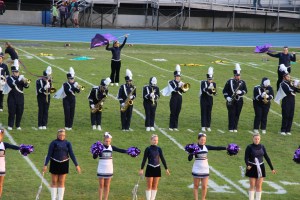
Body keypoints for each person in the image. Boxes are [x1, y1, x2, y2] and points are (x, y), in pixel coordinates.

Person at [43, 128, 81, 200]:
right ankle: (53, 198)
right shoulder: (53, 143)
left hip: (64, 163)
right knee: (54, 181)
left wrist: (77, 165)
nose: (62, 136)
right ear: (57, 135)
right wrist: (45, 165)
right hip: (54, 162)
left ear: (65, 135)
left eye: (63, 135)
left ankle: (60, 198)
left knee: (61, 181)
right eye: (60, 135)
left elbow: (72, 154)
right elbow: (49, 154)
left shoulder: (67, 143)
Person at [188, 133, 226, 200]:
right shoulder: (194, 147)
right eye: (202, 139)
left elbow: (216, 148)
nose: (203, 141)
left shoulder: (206, 147)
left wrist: (226, 148)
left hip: (205, 169)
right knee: (196, 186)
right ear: (198, 139)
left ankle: (203, 199)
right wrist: (192, 152)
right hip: (197, 168)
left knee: (204, 186)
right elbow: (189, 159)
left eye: (204, 140)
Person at [93, 132, 128, 200]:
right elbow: (94, 157)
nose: (108, 142)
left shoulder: (111, 147)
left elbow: (120, 150)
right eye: (106, 141)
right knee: (101, 185)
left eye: (109, 141)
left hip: (109, 169)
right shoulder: (100, 147)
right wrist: (96, 151)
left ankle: (106, 199)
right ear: (104, 141)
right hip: (101, 168)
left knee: (107, 185)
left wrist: (129, 151)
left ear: (110, 141)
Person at [245, 134, 276, 200]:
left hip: (261, 167)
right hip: (252, 167)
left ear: (260, 139)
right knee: (252, 185)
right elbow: (246, 158)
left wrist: (272, 168)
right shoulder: (249, 147)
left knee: (259, 185)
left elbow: (267, 157)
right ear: (253, 139)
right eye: (255, 139)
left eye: (258, 139)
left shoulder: (262, 146)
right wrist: (247, 165)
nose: (257, 140)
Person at [139, 134, 170, 200]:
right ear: (151, 140)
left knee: (155, 185)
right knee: (149, 185)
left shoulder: (159, 149)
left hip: (157, 168)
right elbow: (144, 159)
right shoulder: (148, 149)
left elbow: (162, 158)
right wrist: (141, 169)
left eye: (157, 140)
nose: (155, 141)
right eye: (154, 140)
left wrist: (166, 169)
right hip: (150, 167)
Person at [161, 64, 189, 131]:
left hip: (179, 98)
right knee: (173, 112)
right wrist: (179, 86)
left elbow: (184, 91)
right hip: (173, 98)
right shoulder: (171, 82)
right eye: (177, 76)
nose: (178, 77)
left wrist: (183, 86)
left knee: (177, 112)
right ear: (174, 76)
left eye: (179, 76)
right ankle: (171, 126)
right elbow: (174, 90)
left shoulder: (181, 83)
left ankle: (175, 126)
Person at [274, 64, 299, 136]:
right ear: (284, 77)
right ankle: (283, 130)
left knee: (291, 115)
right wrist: (295, 86)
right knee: (286, 115)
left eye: (289, 76)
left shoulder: (291, 83)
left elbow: (297, 91)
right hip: (286, 101)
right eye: (287, 76)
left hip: (292, 101)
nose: (289, 77)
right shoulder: (282, 84)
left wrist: (297, 86)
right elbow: (289, 90)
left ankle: (288, 130)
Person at [223, 63, 247, 132]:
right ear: (234, 75)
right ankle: (230, 127)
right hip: (231, 100)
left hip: (239, 101)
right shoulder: (229, 82)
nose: (238, 77)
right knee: (231, 114)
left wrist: (241, 92)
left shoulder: (242, 82)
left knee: (237, 114)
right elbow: (224, 91)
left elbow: (245, 90)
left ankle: (235, 127)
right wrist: (227, 97)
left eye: (239, 75)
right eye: (237, 75)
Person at [5, 60, 29, 130]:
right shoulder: (9, 78)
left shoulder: (20, 78)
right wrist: (19, 79)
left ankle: (18, 125)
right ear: (12, 72)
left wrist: (26, 82)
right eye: (15, 72)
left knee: (20, 112)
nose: (17, 73)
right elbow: (12, 85)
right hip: (12, 98)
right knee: (12, 112)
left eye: (17, 72)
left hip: (20, 98)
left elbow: (26, 87)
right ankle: (10, 125)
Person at [0, 128, 20, 198]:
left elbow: (13, 147)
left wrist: (22, 148)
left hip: (1, 167)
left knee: (0, 184)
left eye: (1, 135)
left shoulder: (4, 144)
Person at [199, 67, 216, 132]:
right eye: (209, 79)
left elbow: (214, 93)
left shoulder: (213, 84)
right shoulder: (203, 83)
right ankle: (203, 126)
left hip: (210, 99)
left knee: (209, 112)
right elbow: (203, 90)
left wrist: (213, 89)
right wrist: (208, 88)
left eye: (211, 79)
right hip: (203, 99)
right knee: (203, 112)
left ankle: (208, 126)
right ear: (207, 79)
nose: (210, 80)